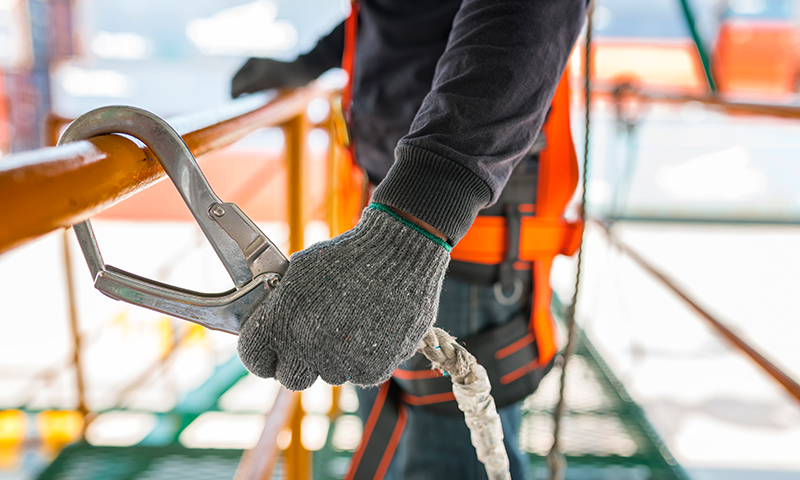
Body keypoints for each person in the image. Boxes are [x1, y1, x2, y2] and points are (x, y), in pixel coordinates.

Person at [233, 0, 588, 478]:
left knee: (447, 463)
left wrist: (417, 221)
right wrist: (312, 63)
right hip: (390, 220)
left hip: (449, 235)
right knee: (398, 442)